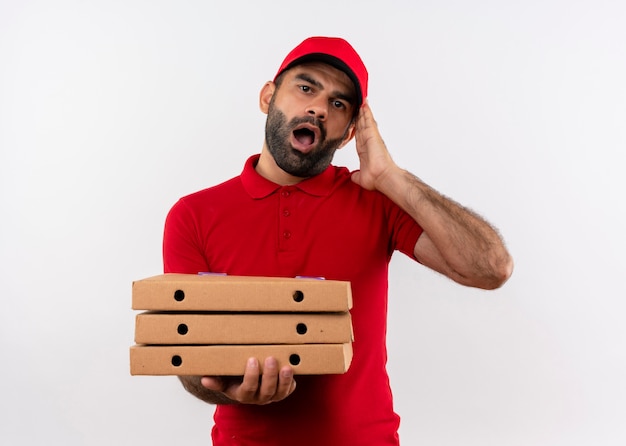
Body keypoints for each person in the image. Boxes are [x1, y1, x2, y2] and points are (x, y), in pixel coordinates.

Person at [163, 36, 513, 446]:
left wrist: (391, 178)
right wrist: (228, 387)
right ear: (268, 97)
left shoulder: (378, 201)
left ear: (349, 133)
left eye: (338, 104)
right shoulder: (193, 214)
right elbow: (186, 360)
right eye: (306, 88)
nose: (318, 108)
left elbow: (490, 269)